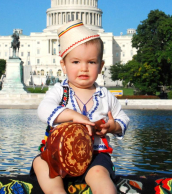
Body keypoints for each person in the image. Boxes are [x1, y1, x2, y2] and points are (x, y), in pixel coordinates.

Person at [31, 20, 130, 194]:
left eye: (91, 62)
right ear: (64, 65)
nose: (83, 68)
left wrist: (113, 126)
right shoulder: (59, 91)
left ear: (100, 66)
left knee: (100, 175)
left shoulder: (104, 95)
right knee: (40, 163)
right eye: (76, 62)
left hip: (94, 156)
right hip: (57, 154)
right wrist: (71, 115)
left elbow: (123, 117)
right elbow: (43, 109)